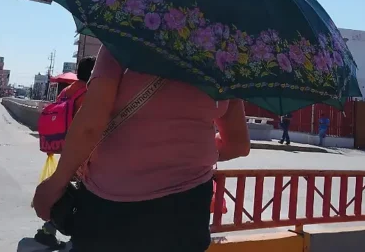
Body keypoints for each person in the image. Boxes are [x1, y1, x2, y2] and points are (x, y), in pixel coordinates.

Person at [32, 46, 251, 252]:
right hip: (188, 211)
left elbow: (90, 127)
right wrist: (190, 153)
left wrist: (56, 183)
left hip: (110, 206)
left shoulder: (124, 35)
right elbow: (238, 145)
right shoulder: (224, 56)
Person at [34, 57, 96, 251]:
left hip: (66, 148)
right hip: (83, 152)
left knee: (66, 191)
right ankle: (74, 239)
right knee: (85, 195)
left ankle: (48, 230)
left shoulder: (68, 90)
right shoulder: (89, 93)